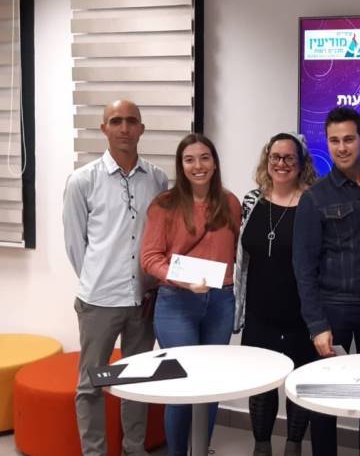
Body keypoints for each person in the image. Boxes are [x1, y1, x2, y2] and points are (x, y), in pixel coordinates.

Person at [63, 100, 168, 456]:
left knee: (136, 380)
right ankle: (94, 452)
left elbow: (159, 238)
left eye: (131, 121)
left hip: (144, 299)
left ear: (142, 129)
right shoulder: (82, 180)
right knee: (91, 385)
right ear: (104, 128)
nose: (124, 128)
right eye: (116, 121)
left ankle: (133, 449)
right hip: (99, 301)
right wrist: (99, 278)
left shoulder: (157, 179)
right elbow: (75, 244)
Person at [293, 107, 360, 456]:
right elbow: (303, 267)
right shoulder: (315, 197)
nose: (342, 147)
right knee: (326, 399)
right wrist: (316, 325)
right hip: (333, 310)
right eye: (334, 141)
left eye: (349, 139)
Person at [140, 133, 241, 456]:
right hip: (176, 304)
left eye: (205, 158)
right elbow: (150, 258)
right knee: (182, 386)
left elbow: (236, 254)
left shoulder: (230, 203)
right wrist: (185, 281)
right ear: (181, 165)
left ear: (215, 163)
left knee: (210, 386)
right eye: (189, 159)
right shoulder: (164, 205)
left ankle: (200, 448)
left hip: (220, 303)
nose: (198, 165)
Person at [234, 132, 318, 456]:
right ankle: (262, 447)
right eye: (275, 157)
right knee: (261, 385)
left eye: (289, 158)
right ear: (267, 160)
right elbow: (240, 255)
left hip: (300, 314)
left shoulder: (313, 203)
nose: (281, 163)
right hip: (259, 312)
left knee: (299, 385)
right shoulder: (251, 201)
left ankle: (293, 446)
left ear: (301, 163)